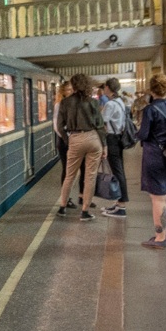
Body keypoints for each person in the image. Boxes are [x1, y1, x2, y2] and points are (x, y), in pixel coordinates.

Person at [137, 74, 166, 249]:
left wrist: (135, 134)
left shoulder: (150, 110)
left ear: (151, 89)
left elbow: (143, 134)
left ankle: (159, 238)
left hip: (155, 156)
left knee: (159, 199)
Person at [56, 73, 107, 221]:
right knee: (90, 177)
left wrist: (68, 139)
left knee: (69, 175)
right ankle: (85, 211)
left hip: (75, 138)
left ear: (73, 85)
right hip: (93, 138)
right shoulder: (92, 102)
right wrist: (104, 145)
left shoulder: (65, 102)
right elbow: (100, 125)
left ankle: (62, 207)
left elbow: (60, 126)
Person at [53, 81, 85, 209]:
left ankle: (82, 196)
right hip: (65, 141)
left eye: (72, 89)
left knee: (83, 168)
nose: (71, 91)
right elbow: (57, 126)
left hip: (77, 139)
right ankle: (66, 200)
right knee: (67, 170)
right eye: (68, 89)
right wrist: (67, 138)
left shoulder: (76, 104)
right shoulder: (59, 105)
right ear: (62, 92)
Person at [100, 78, 129, 217]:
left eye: (105, 87)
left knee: (117, 172)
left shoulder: (110, 104)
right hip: (119, 138)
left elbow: (101, 121)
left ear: (108, 88)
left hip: (111, 139)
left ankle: (121, 206)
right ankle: (118, 203)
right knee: (119, 170)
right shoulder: (120, 102)